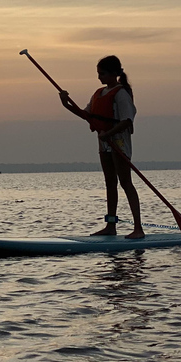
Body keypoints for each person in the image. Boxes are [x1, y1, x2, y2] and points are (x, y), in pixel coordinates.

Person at [59, 55, 144, 239]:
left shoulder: (121, 94)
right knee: (110, 183)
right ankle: (111, 226)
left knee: (125, 182)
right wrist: (66, 104)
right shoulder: (99, 93)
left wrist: (109, 134)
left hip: (119, 141)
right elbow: (86, 114)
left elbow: (126, 121)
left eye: (103, 74)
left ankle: (138, 228)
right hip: (104, 142)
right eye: (98, 74)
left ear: (114, 74)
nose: (99, 77)